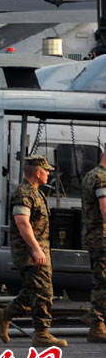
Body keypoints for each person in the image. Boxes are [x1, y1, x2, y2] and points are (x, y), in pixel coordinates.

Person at [0, 154, 67, 347]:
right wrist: (35, 249)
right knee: (43, 292)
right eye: (47, 171)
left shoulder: (35, 192)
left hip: (39, 250)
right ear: (37, 172)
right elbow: (22, 222)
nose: (49, 174)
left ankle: (4, 314)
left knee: (34, 291)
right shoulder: (24, 193)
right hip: (30, 252)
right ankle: (41, 333)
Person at [81, 147, 106, 343]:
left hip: (93, 236)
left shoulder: (91, 175)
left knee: (100, 280)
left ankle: (94, 316)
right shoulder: (102, 178)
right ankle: (97, 325)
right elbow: (105, 209)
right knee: (103, 282)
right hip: (102, 238)